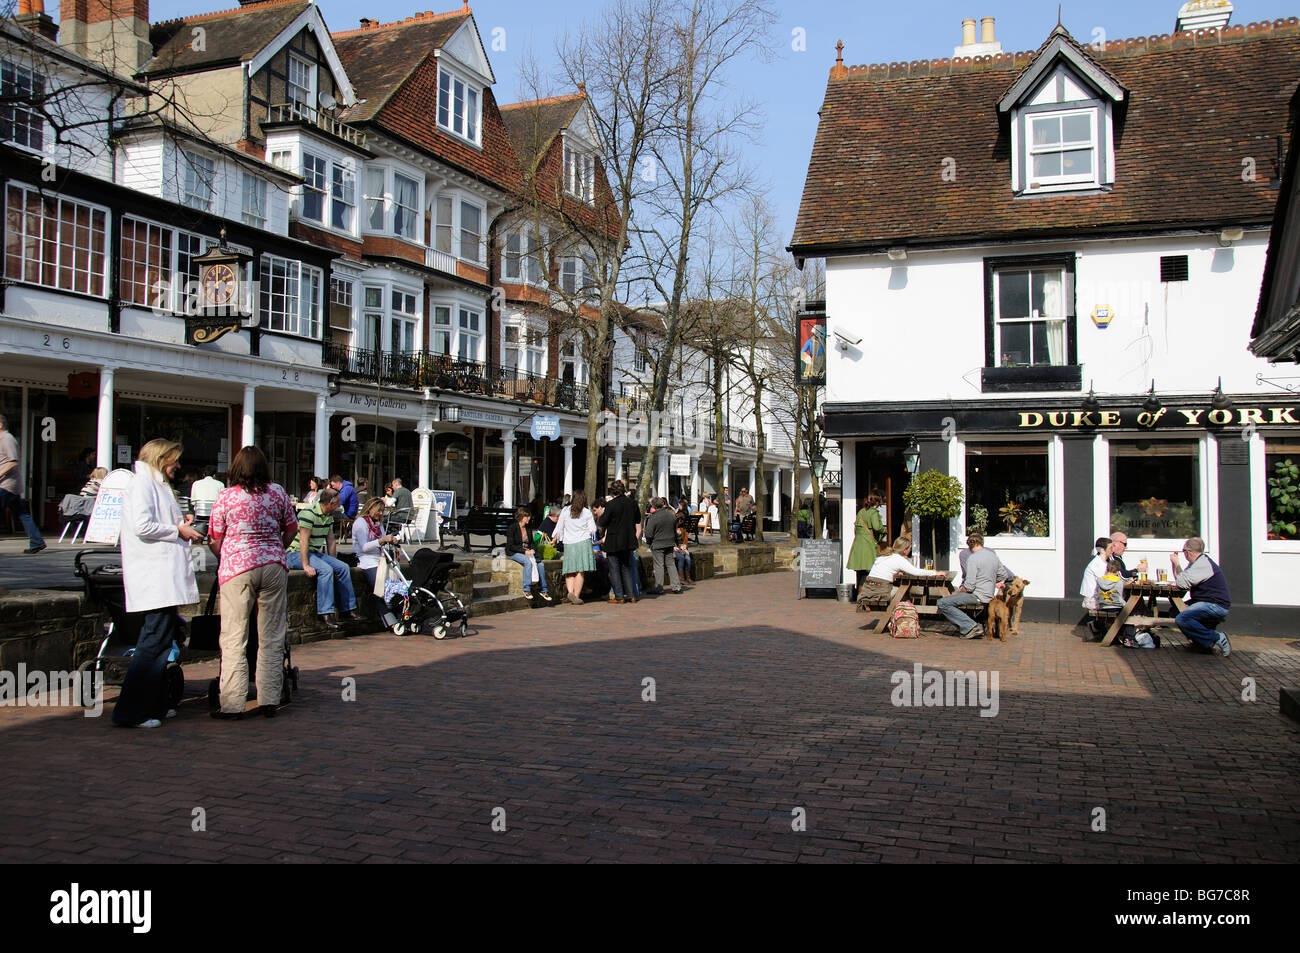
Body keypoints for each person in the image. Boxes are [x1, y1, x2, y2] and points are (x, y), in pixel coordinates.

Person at [112, 438, 203, 728]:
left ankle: (153, 704)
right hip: (155, 576)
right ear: (162, 459)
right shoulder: (143, 484)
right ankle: (130, 711)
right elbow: (142, 526)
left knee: (162, 642)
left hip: (163, 576)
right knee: (152, 643)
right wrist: (178, 529)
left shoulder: (156, 485)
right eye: (174, 459)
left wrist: (180, 523)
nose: (178, 465)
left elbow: (158, 522)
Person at [206, 445, 298, 719]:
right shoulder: (278, 492)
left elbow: (214, 537)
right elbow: (291, 528)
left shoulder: (226, 497)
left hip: (237, 567)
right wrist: (276, 549)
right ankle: (270, 698)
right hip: (272, 565)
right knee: (271, 635)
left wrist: (227, 555)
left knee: (234, 636)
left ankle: (233, 703)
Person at [286, 487, 360, 629]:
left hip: (314, 552)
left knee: (343, 567)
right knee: (325, 570)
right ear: (330, 504)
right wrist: (305, 565)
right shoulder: (308, 514)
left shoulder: (329, 516)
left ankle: (348, 609)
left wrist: (334, 561)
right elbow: (303, 541)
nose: (339, 506)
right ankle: (325, 612)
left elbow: (331, 541)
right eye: (337, 503)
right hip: (295, 553)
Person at [938, 533, 1013, 640]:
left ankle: (971, 627)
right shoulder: (993, 556)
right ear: (982, 543)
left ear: (969, 546)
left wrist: (956, 593)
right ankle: (968, 627)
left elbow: (969, 585)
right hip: (989, 595)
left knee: (943, 602)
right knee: (950, 600)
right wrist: (992, 582)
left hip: (977, 596)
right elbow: (1003, 575)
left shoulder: (972, 559)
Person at [1170, 537, 1232, 657]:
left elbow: (1182, 583)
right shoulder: (1197, 563)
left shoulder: (1203, 565)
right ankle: (1202, 643)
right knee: (1175, 611)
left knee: (1182, 618)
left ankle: (1217, 638)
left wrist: (1176, 563)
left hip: (1215, 604)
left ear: (1188, 552)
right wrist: (1175, 564)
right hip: (1206, 602)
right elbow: (1182, 579)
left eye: (1184, 552)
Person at [0, 414, 46, 554]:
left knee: (22, 513)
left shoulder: (7, 439)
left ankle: (37, 542)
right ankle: (37, 542)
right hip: (10, 484)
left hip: (6, 484)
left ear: (0, 424)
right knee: (22, 514)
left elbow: (13, 461)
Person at [352, 497, 398, 622]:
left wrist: (391, 540)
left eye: (382, 511)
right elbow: (364, 547)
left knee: (395, 585)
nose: (381, 514)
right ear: (370, 509)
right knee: (379, 589)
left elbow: (383, 539)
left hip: (380, 558)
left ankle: (399, 614)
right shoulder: (360, 523)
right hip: (366, 559)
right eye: (379, 511)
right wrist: (381, 540)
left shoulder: (378, 523)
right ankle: (391, 621)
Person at [599, 480, 641, 603]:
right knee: (626, 567)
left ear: (612, 491)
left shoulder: (611, 505)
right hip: (628, 539)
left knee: (614, 568)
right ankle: (631, 594)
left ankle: (619, 596)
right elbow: (638, 519)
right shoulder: (632, 503)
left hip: (613, 539)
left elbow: (603, 522)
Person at [554, 490, 597, 605]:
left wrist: (556, 538)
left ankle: (570, 593)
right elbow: (593, 529)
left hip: (569, 543)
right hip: (583, 542)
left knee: (570, 570)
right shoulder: (587, 512)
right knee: (580, 570)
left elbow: (559, 527)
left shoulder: (565, 511)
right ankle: (576, 596)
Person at [506, 506, 552, 604]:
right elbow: (511, 546)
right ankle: (526, 589)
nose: (529, 518)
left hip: (528, 552)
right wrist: (524, 551)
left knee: (540, 564)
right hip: (515, 552)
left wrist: (533, 550)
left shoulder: (528, 528)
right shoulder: (513, 528)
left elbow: (532, 543)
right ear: (522, 517)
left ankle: (544, 590)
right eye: (527, 517)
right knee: (527, 562)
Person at [846, 492, 886, 596]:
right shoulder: (873, 513)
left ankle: (859, 594)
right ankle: (864, 596)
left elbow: (856, 529)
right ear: (877, 502)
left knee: (859, 571)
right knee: (869, 570)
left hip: (858, 544)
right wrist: (885, 529)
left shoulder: (861, 512)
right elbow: (877, 527)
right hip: (868, 544)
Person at [644, 495, 682, 594]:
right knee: (671, 564)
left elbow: (648, 533)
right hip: (669, 543)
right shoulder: (671, 515)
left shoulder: (653, 517)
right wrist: (677, 543)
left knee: (659, 565)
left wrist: (649, 542)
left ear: (653, 506)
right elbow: (675, 531)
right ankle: (676, 586)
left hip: (657, 544)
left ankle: (659, 587)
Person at [1080, 536, 1114, 612]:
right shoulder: (1097, 564)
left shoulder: (1104, 562)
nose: (1112, 550)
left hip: (1098, 597)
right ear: (1102, 550)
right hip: (1093, 600)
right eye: (1110, 548)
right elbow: (1105, 584)